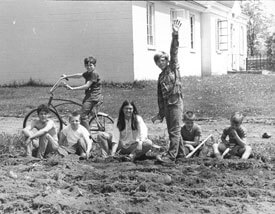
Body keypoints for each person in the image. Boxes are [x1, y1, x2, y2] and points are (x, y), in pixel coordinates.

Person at [151, 19, 184, 163]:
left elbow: (174, 50)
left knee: (174, 131)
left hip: (176, 102)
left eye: (164, 59)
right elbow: (160, 98)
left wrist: (175, 34)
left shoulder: (173, 67)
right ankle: (181, 154)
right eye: (159, 61)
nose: (161, 62)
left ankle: (171, 157)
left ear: (167, 60)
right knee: (174, 130)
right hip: (167, 106)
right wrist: (160, 114)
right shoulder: (160, 77)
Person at [61, 56, 102, 133]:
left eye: (91, 65)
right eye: (87, 65)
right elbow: (79, 75)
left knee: (82, 116)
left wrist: (73, 88)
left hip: (93, 97)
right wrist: (67, 76)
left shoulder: (94, 74)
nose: (89, 67)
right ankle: (82, 131)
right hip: (89, 96)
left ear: (94, 66)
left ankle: (88, 136)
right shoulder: (88, 73)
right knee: (83, 114)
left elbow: (87, 85)